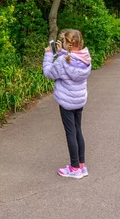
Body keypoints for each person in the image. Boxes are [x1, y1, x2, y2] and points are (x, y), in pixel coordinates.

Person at [43, 29, 91, 179]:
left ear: (67, 43)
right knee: (78, 130)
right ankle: (81, 166)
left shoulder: (63, 61)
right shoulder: (85, 58)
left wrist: (49, 54)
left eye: (64, 41)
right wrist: (62, 52)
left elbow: (49, 73)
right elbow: (72, 59)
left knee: (70, 133)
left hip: (66, 102)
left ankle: (74, 168)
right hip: (79, 99)